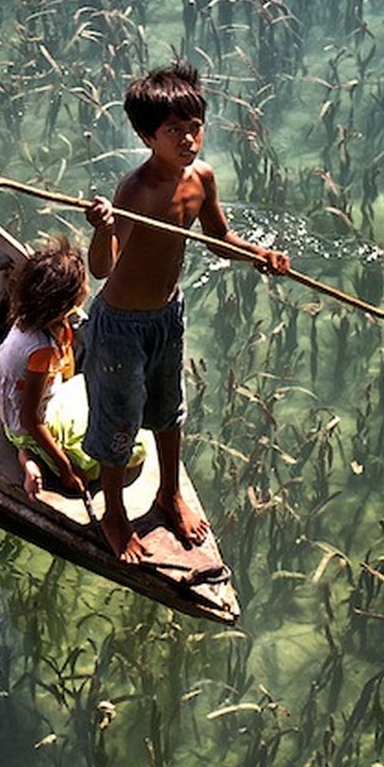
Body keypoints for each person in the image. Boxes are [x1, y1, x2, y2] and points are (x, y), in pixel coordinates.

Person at [82, 61, 290, 564]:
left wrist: (260, 255)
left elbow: (219, 240)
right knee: (118, 421)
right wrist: (102, 228)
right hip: (120, 326)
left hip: (166, 317)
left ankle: (169, 493)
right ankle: (114, 513)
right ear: (146, 136)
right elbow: (101, 270)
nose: (189, 139)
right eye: (174, 130)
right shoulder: (135, 192)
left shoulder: (202, 179)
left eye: (195, 126)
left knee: (169, 409)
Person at [0, 238, 101, 501]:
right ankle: (29, 454)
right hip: (23, 426)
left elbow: (68, 369)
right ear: (66, 301)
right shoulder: (41, 350)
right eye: (82, 284)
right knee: (100, 459)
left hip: (15, 409)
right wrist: (66, 470)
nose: (87, 287)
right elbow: (30, 418)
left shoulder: (34, 317)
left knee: (89, 394)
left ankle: (28, 453)